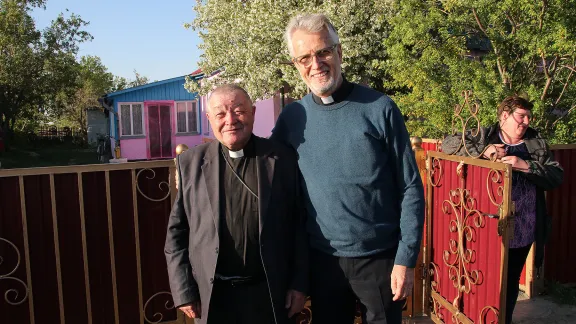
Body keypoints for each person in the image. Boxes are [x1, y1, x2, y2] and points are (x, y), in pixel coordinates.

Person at [271, 13, 425, 324]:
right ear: (295, 64)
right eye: (304, 57)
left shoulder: (380, 108)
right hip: (323, 262)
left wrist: (406, 259)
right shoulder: (292, 118)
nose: (316, 64)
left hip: (380, 260)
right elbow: (266, 171)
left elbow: (410, 186)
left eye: (323, 51)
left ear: (339, 52)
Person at [165, 84, 308, 324]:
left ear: (252, 112)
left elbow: (299, 225)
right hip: (214, 296)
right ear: (209, 118)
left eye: (239, 111)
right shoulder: (190, 164)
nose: (230, 120)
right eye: (220, 114)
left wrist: (299, 284)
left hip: (271, 294)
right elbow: (177, 233)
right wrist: (183, 291)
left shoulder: (281, 158)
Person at [442, 95, 563, 324]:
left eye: (528, 116)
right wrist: (484, 150)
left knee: (509, 281)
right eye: (521, 116)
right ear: (504, 116)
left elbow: (556, 176)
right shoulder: (486, 136)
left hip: (524, 227)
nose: (526, 121)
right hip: (485, 224)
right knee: (481, 278)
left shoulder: (535, 143)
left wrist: (525, 166)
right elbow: (448, 144)